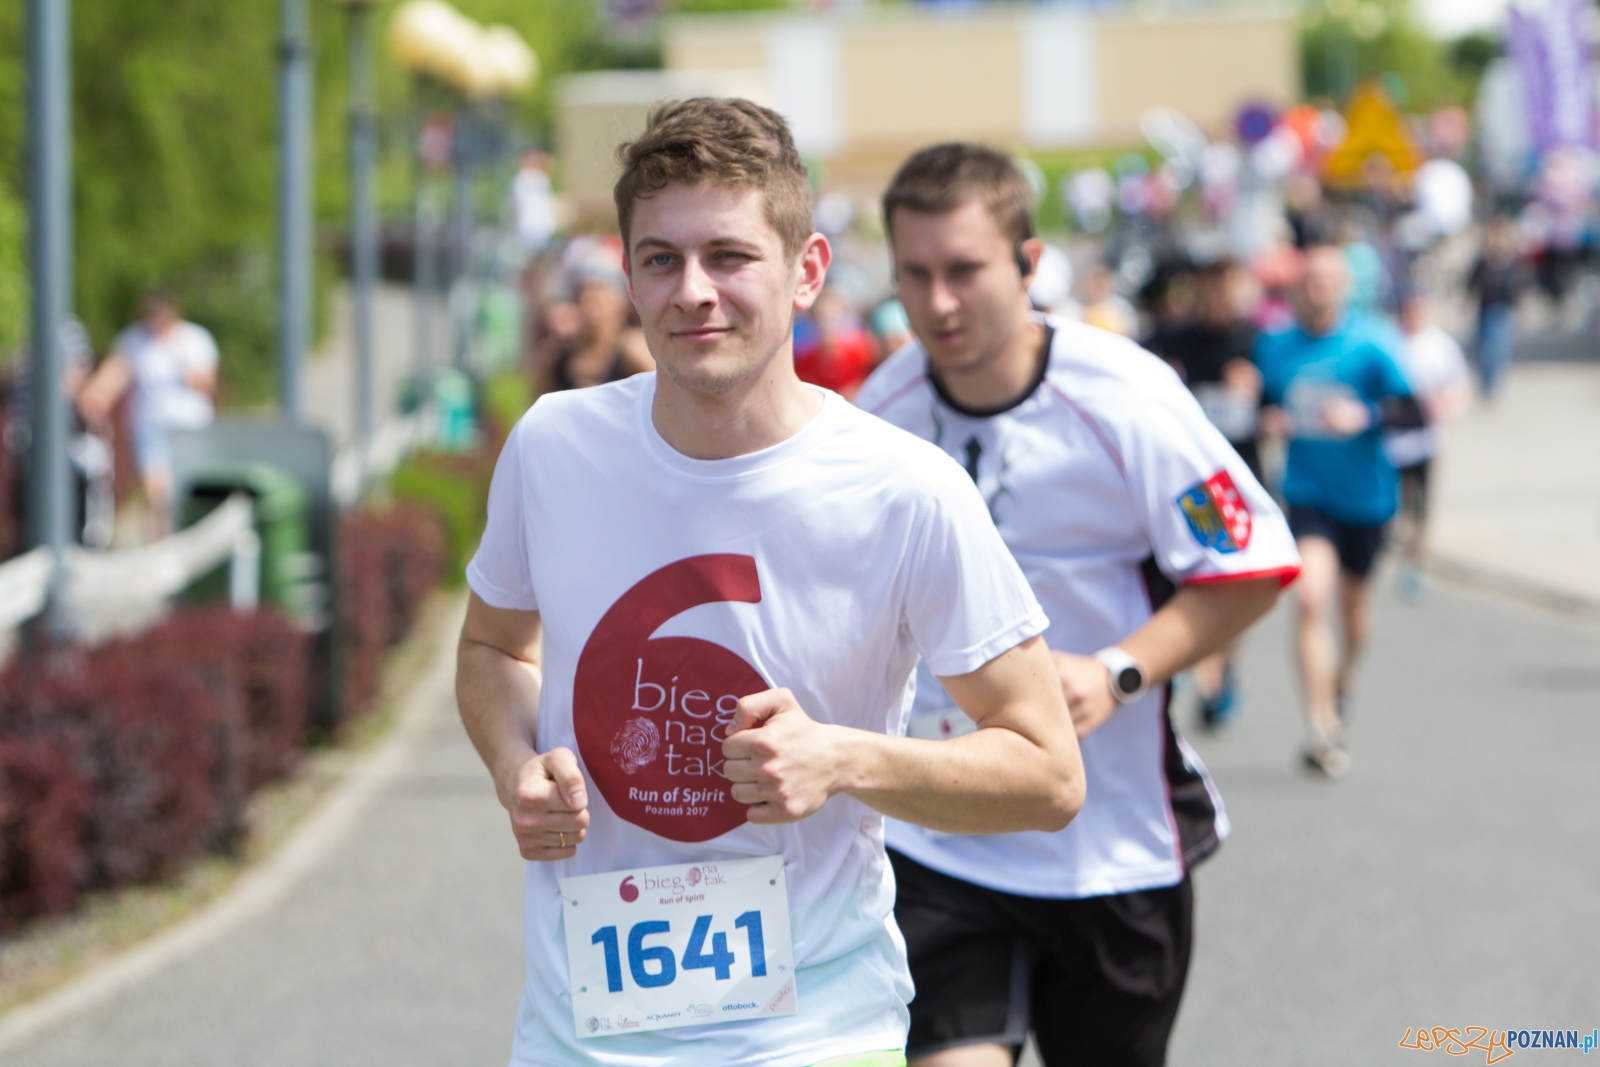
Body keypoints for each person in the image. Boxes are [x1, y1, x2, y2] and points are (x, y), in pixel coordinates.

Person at [455, 100, 1085, 1067]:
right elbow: (494, 646)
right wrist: (513, 765)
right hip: (579, 1038)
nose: (692, 291)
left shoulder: (905, 490)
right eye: (660, 259)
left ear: (807, 270)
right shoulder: (553, 445)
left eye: (730, 256)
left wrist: (842, 759)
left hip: (815, 1034)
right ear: (627, 272)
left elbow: (1049, 772)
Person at [856, 144, 1299, 1067]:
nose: (939, 303)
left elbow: (1251, 564)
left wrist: (1118, 670)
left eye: (965, 270)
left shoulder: (1126, 397)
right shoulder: (880, 412)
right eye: (916, 275)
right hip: (942, 840)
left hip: (1109, 847)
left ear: (1027, 264)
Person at [1255, 242, 1425, 779]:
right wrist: (1268, 418)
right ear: (1297, 287)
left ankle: (1342, 679)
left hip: (1368, 499)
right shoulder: (1274, 345)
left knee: (1354, 612)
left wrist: (1364, 415)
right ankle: (1320, 728)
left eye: (1329, 278)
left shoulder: (1373, 342)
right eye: (1310, 279)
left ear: (1346, 285)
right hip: (1308, 495)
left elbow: (1415, 412)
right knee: (1310, 597)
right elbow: (1263, 402)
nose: (1319, 288)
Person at [1145, 258, 1264, 729]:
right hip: (1188, 485)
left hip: (1238, 482)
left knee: (1233, 580)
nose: (1217, 299)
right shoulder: (1172, 340)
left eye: (1225, 288)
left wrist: (1260, 393)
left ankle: (1223, 667)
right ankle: (1205, 674)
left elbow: (1282, 399)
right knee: (1196, 579)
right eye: (1209, 289)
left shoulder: (1257, 342)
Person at [77, 290, 217, 538]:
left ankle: (189, 539)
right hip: (151, 428)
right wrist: (96, 395)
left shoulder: (194, 339)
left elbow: (208, 383)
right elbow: (114, 374)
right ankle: (161, 544)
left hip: (189, 430)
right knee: (157, 495)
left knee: (187, 492)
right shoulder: (134, 340)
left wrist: (179, 360)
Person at [1385, 290, 1471, 603]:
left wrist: (1448, 407)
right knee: (1393, 504)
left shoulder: (1441, 345)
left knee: (1419, 506)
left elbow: (1459, 388)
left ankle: (1414, 562)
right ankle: (1393, 548)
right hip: (1388, 442)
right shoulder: (1387, 341)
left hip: (1425, 442)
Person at [541, 259, 654, 393]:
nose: (591, 297)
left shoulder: (631, 350)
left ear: (620, 303)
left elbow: (660, 394)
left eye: (599, 291)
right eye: (585, 292)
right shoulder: (561, 357)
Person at [1467, 215, 1526, 400]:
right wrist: (1467, 303)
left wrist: (1519, 315)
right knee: (1483, 347)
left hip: (1502, 310)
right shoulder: (1483, 261)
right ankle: (1486, 382)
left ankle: (1493, 383)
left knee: (1498, 349)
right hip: (1485, 308)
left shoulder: (1512, 263)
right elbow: (1472, 283)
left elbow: (1518, 290)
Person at [793, 285, 879, 400]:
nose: (827, 322)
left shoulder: (863, 355)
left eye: (833, 315)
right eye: (821, 316)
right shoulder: (803, 362)